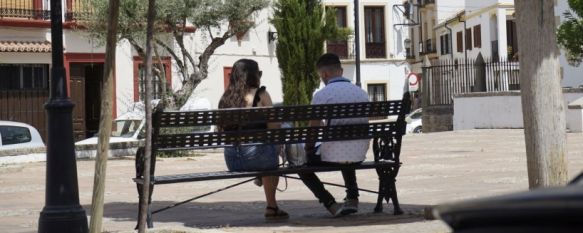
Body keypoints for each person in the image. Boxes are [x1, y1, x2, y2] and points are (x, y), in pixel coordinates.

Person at [299, 53, 370, 217]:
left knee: (301, 167)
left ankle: (330, 204)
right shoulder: (361, 93)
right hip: (359, 154)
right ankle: (352, 198)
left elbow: (313, 130)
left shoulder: (321, 95)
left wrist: (308, 149)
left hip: (334, 155)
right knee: (345, 148)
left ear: (324, 74)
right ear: (341, 70)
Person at [218, 59, 288, 220]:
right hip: (257, 157)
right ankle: (272, 206)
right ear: (253, 76)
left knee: (264, 149)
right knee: (272, 148)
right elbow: (273, 128)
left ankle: (260, 176)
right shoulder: (261, 94)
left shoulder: (226, 98)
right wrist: (279, 147)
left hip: (232, 160)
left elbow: (221, 131)